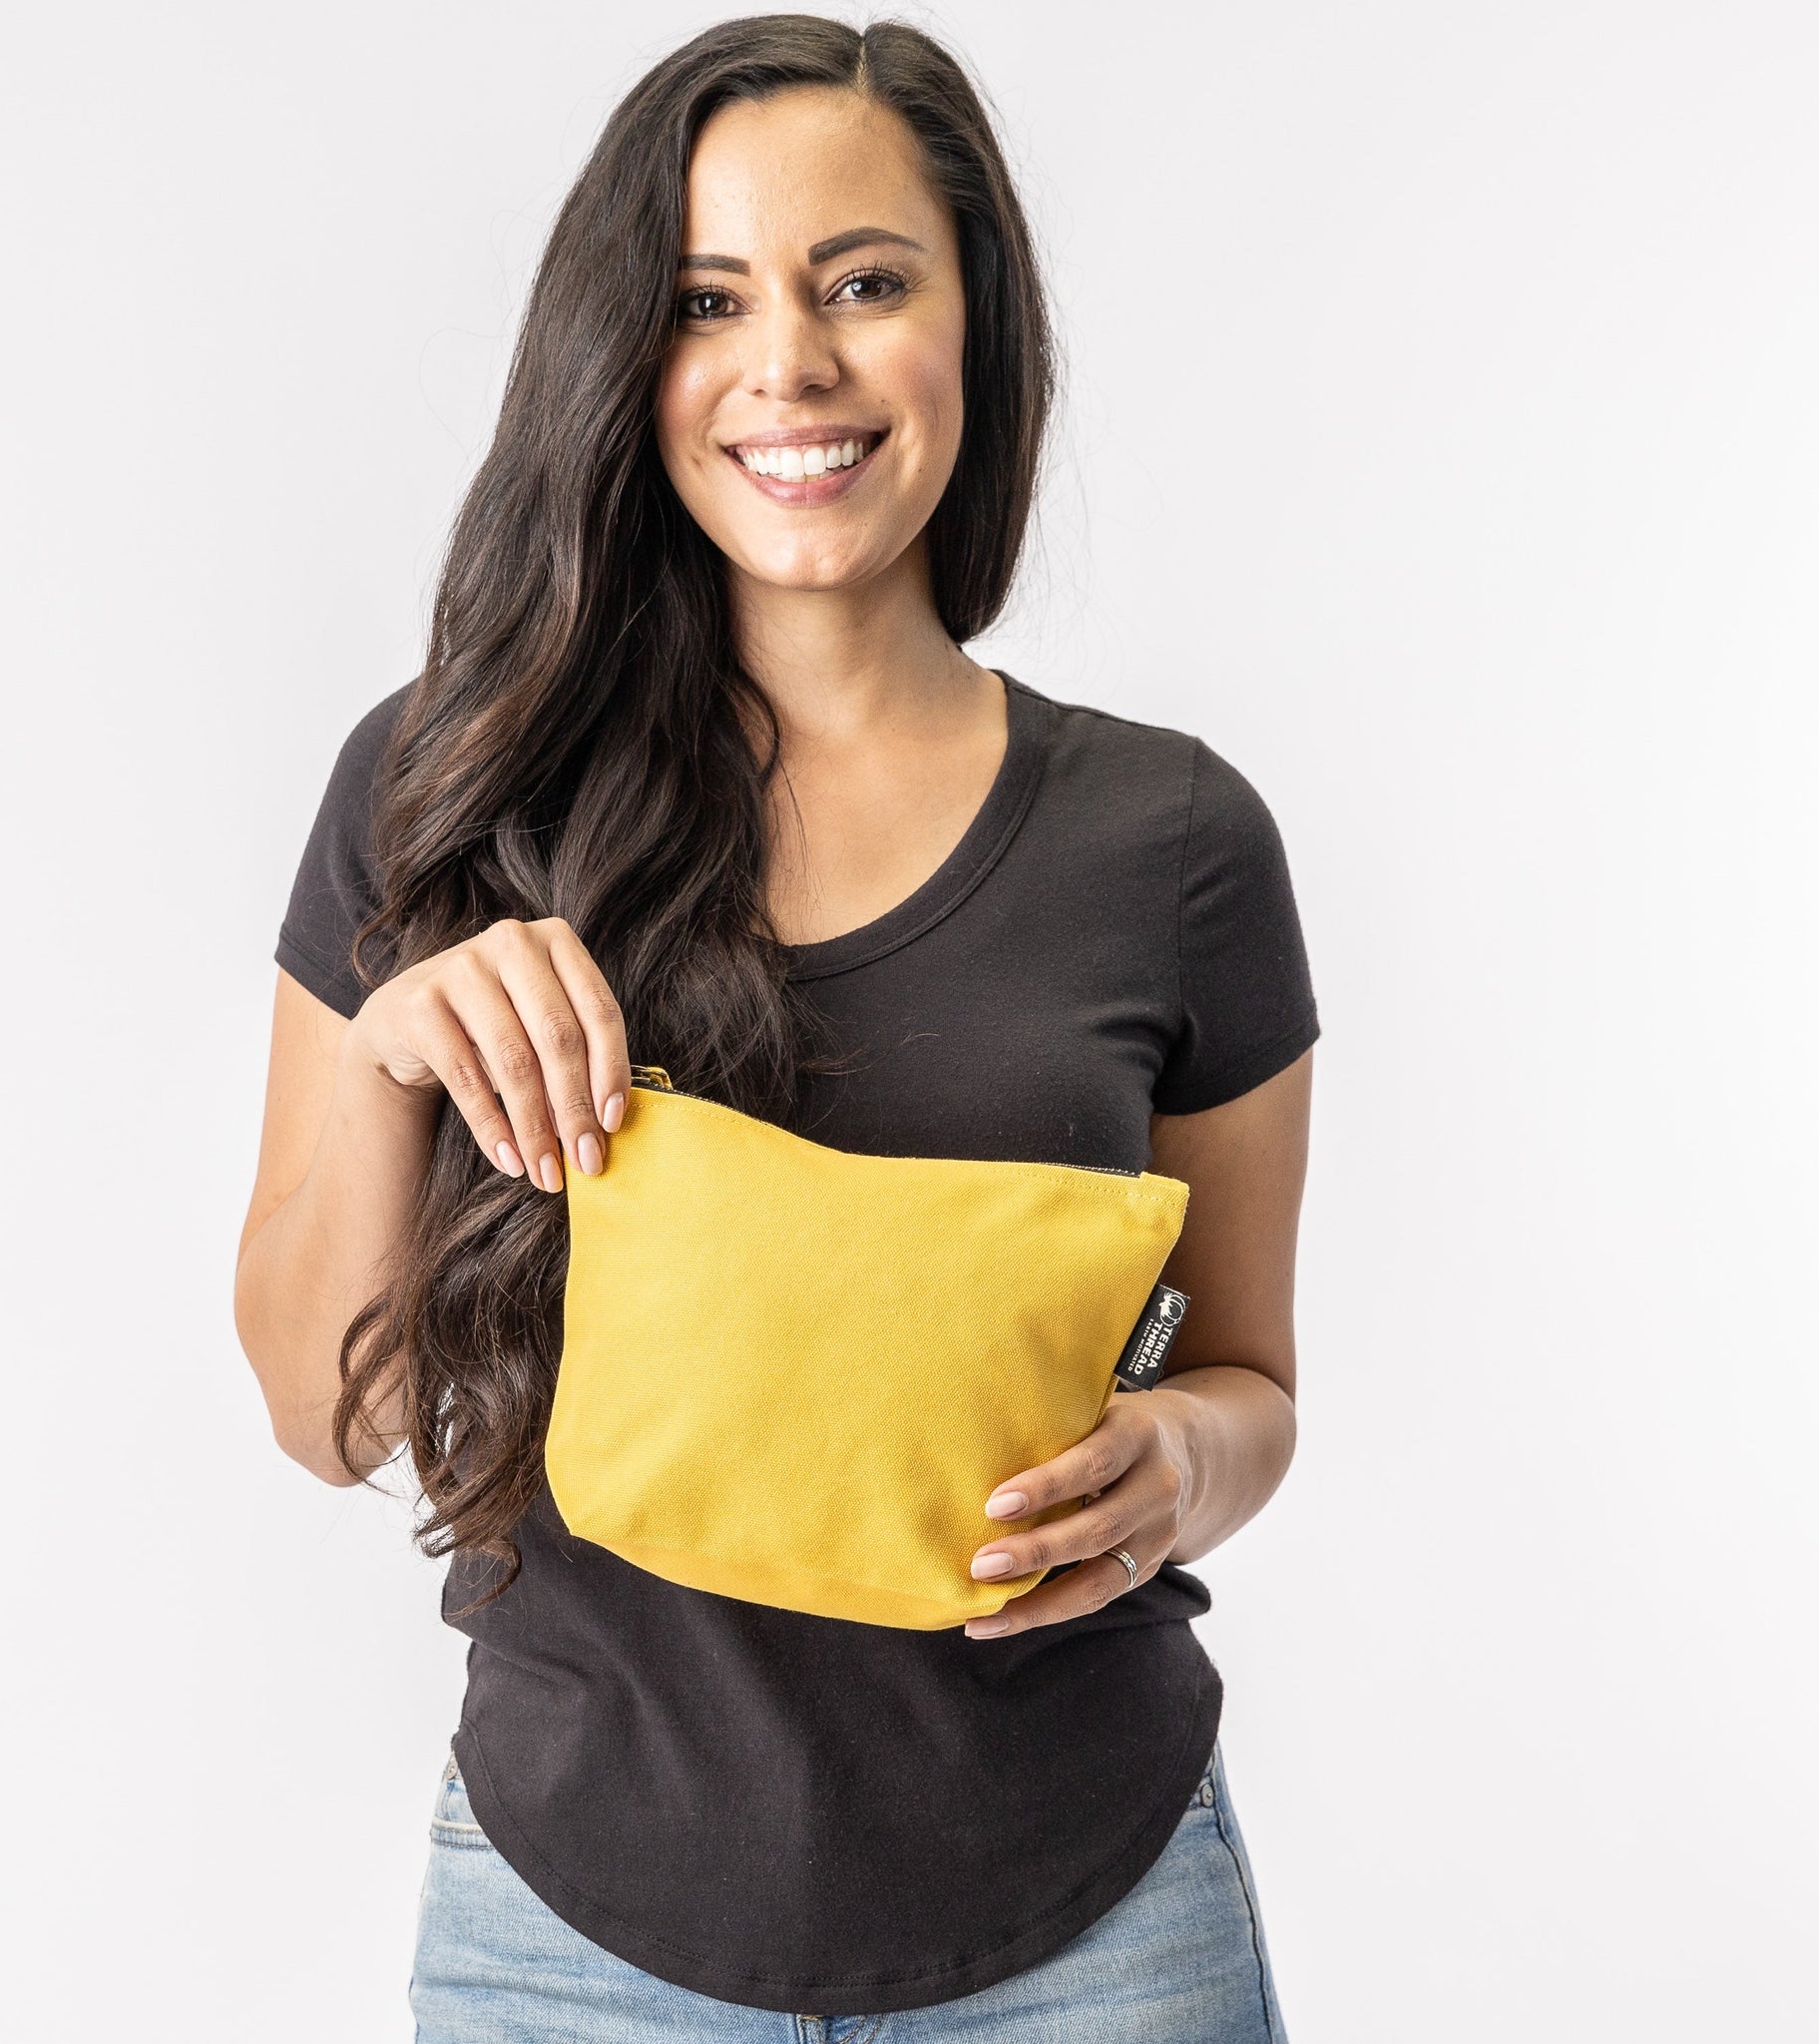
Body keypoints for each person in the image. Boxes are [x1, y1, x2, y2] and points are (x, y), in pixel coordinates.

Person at [235, 16, 1315, 2041]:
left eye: (865, 282)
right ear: (622, 360)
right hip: (568, 1942)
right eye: (708, 300)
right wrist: (393, 1050)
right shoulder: (444, 790)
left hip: (1098, 1928)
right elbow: (326, 1417)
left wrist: (1180, 1459)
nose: (790, 365)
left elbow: (1248, 1376)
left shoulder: (1176, 841)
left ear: (976, 326)